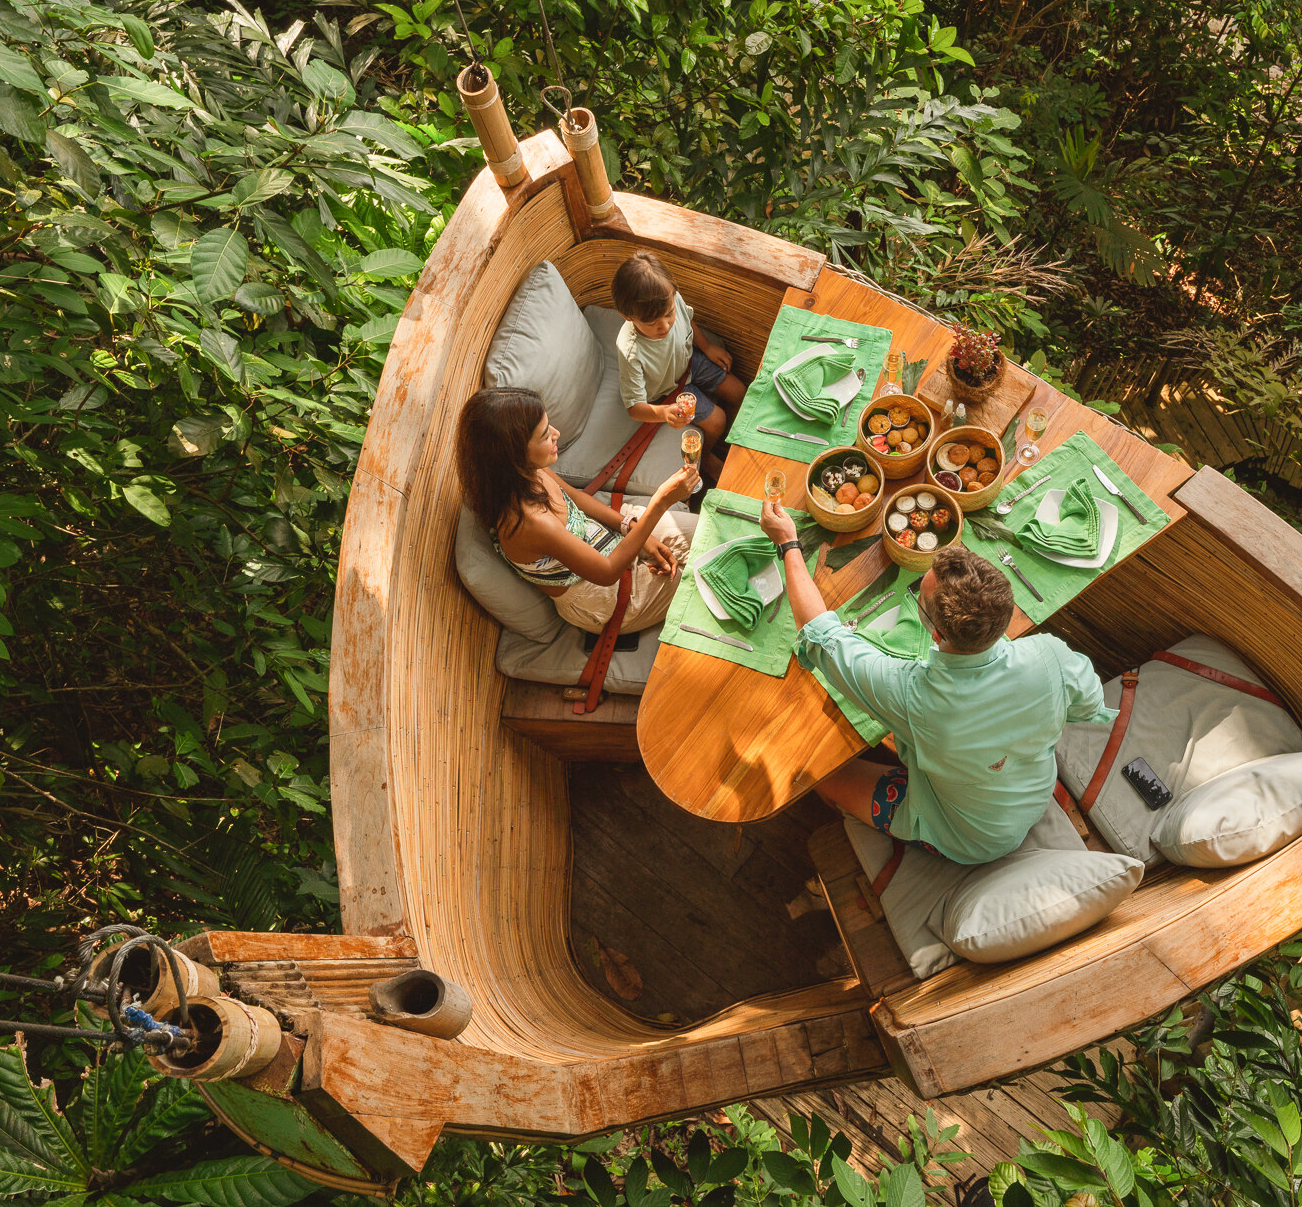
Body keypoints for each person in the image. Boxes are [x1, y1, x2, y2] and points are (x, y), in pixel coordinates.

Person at [761, 502, 1115, 865]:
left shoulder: (914, 696)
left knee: (818, 776)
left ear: (935, 631)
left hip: (970, 838)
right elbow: (1090, 704)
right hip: (1033, 793)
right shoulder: (1049, 654)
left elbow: (820, 633)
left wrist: (789, 543)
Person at [461, 388, 700, 635]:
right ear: (514, 455)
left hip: (608, 537)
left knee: (709, 532)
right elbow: (607, 572)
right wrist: (660, 502)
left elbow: (576, 497)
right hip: (600, 596)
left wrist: (631, 526)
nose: (556, 434)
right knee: (703, 579)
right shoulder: (530, 521)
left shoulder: (525, 472)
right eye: (544, 436)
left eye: (549, 425)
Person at [612, 250, 746, 486]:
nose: (664, 326)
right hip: (666, 390)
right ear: (627, 316)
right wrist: (664, 412)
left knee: (738, 392)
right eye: (651, 324)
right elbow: (634, 407)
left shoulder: (672, 299)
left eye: (668, 315)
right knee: (717, 421)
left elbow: (687, 320)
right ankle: (706, 458)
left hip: (688, 362)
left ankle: (731, 444)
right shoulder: (631, 350)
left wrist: (706, 347)